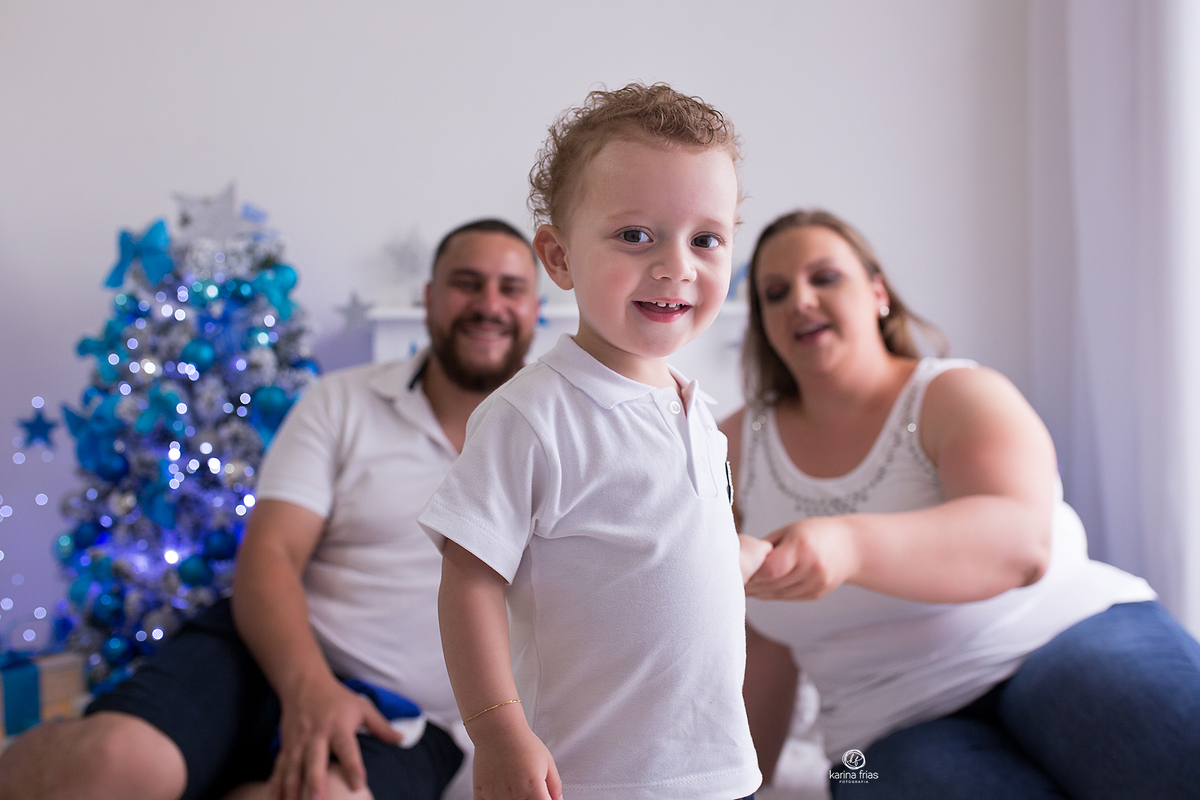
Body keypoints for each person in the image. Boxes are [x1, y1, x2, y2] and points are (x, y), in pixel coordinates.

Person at [0, 218, 542, 800]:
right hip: (260, 657)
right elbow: (271, 552)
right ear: (430, 299)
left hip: (407, 720)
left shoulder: (555, 438)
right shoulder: (343, 402)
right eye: (467, 283)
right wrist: (308, 686)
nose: (489, 305)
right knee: (118, 763)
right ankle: (54, 750)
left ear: (535, 308)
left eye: (510, 288)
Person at [725, 208, 1200, 799]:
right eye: (774, 293)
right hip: (873, 738)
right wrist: (743, 784)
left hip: (1063, 638)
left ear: (878, 293)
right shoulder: (728, 448)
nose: (799, 300)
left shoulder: (957, 394)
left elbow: (1021, 545)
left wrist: (847, 544)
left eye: (824, 277)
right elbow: (762, 635)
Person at [417, 83, 768, 800]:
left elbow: (659, 547)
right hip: (590, 778)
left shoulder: (700, 414)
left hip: (715, 768)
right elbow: (470, 581)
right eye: (636, 235)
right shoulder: (532, 414)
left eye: (706, 238)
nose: (677, 265)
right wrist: (498, 730)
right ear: (559, 257)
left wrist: (743, 557)